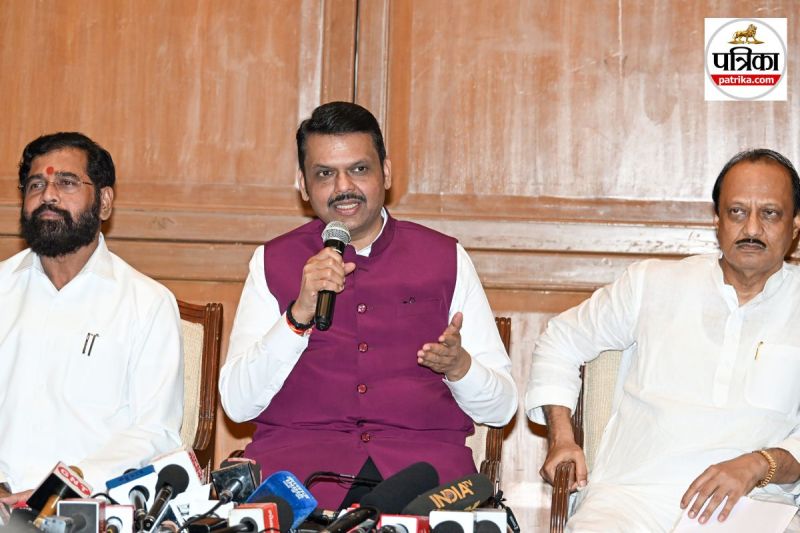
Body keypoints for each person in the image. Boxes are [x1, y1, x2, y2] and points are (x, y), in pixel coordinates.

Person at [219, 101, 517, 509]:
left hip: (422, 481)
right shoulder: (272, 261)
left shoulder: (445, 257)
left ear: (386, 174)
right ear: (303, 186)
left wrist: (459, 366)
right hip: (299, 480)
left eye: (359, 169)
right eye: (325, 174)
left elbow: (502, 408)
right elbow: (237, 404)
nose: (344, 187)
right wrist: (297, 316)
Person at [526, 148, 800, 532]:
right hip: (629, 500)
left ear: (795, 225)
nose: (752, 229)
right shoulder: (651, 283)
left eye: (769, 213)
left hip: (750, 505)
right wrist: (561, 438)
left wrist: (760, 463)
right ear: (717, 220)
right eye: (737, 211)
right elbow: (560, 340)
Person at [0, 132, 183, 508]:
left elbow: (156, 431)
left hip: (90, 506)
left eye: (66, 183)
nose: (48, 196)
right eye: (36, 185)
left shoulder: (146, 303)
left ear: (104, 202)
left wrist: (67, 486)